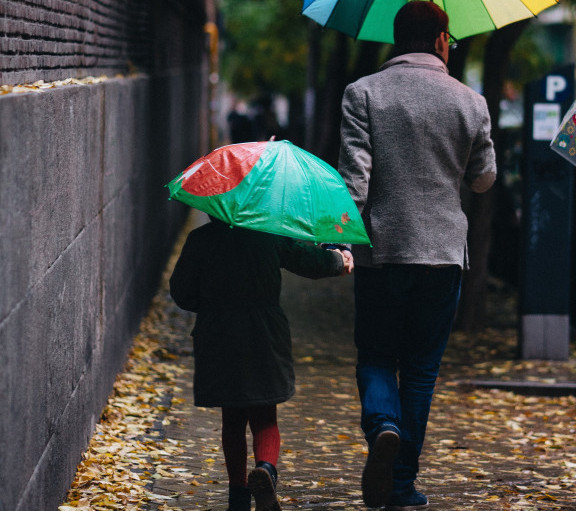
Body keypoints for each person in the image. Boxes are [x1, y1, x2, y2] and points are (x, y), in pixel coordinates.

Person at [336, 2, 497, 509]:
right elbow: (484, 177)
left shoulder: (362, 94)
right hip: (443, 254)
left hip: (382, 250)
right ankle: (401, 485)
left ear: (396, 38)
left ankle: (383, 424)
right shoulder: (471, 102)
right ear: (442, 40)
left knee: (377, 354)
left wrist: (340, 239)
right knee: (422, 370)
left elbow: (354, 180)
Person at [169, 217, 353, 511]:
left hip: (218, 335)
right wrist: (338, 260)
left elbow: (181, 292)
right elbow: (307, 260)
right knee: (265, 415)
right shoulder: (268, 234)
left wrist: (212, 304)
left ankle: (238, 500)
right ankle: (266, 470)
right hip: (264, 333)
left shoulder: (200, 239)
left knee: (232, 420)